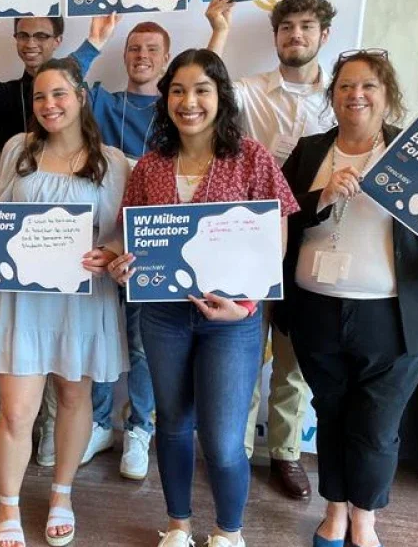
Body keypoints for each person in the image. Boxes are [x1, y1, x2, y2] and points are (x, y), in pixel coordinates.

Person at [108, 48, 300, 547]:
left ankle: (228, 533)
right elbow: (132, 238)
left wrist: (247, 306)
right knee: (172, 425)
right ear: (165, 99)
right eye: (177, 91)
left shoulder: (253, 157)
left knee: (222, 440)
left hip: (233, 321)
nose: (188, 102)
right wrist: (121, 265)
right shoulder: (150, 166)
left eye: (201, 90)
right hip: (164, 317)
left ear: (221, 97)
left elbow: (275, 241)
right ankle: (178, 526)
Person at [276, 50, 418, 547]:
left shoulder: (417, 154)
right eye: (345, 86)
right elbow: (278, 218)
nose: (355, 95)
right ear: (332, 95)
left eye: (368, 86)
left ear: (387, 96)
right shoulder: (310, 151)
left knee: (377, 425)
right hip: (316, 309)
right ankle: (334, 511)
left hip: (394, 316)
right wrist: (322, 196)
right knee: (331, 413)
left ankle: (365, 518)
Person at [0, 57, 129, 547]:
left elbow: (120, 231)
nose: (49, 105)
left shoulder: (114, 161)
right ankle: (7, 505)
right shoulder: (17, 149)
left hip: (82, 298)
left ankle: (62, 495)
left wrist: (109, 251)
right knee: (16, 411)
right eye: (41, 97)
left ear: (81, 97)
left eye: (59, 94)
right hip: (21, 300)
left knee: (73, 399)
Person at [206, 0, 339, 498]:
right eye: (286, 28)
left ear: (324, 35)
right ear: (275, 36)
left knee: (294, 354)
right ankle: (233, 452)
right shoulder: (250, 89)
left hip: (315, 234)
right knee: (242, 347)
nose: (295, 35)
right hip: (249, 237)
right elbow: (208, 93)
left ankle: (285, 451)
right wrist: (219, 31)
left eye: (306, 27)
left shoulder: (342, 97)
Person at [77, 20, 173, 477]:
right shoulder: (103, 101)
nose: (142, 56)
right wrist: (94, 41)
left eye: (152, 49)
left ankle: (139, 428)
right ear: (123, 55)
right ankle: (98, 424)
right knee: (99, 335)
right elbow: (65, 81)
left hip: (151, 245)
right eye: (134, 48)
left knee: (141, 346)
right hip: (97, 237)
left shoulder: (176, 110)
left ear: (166, 58)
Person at [0, 11, 119, 152]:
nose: (30, 44)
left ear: (57, 41)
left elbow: (69, 71)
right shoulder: (5, 92)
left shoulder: (71, 86)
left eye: (41, 36)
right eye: (23, 35)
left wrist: (94, 42)